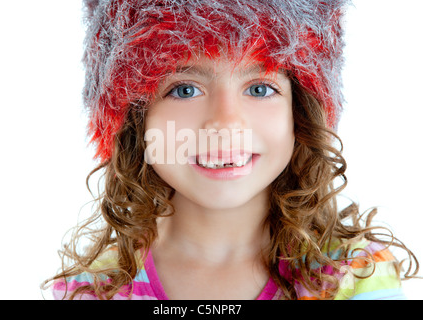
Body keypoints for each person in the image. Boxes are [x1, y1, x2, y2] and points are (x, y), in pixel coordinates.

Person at [43, 0, 419, 300]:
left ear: (300, 113)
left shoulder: (353, 277)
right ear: (133, 120)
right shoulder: (95, 289)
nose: (225, 123)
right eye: (184, 89)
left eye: (259, 88)